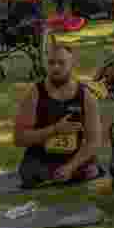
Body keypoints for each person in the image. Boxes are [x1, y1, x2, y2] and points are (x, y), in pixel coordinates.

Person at [13, 42, 103, 188]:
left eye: (61, 63)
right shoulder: (34, 93)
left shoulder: (86, 96)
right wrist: (55, 130)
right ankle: (57, 175)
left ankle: (66, 173)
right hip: (42, 157)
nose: (55, 67)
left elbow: (94, 141)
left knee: (90, 170)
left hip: (75, 157)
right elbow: (19, 139)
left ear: (72, 65)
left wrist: (70, 167)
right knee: (31, 174)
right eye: (51, 63)